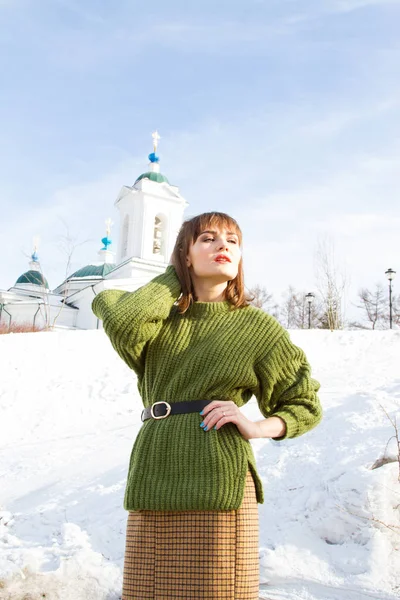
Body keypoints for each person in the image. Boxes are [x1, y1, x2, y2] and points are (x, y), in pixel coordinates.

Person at [91, 211, 323, 600]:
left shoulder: (257, 328)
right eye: (208, 239)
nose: (224, 246)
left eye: (233, 241)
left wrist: (256, 426)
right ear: (185, 253)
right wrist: (176, 278)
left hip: (220, 478)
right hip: (154, 470)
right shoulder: (158, 321)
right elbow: (120, 317)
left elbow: (304, 403)